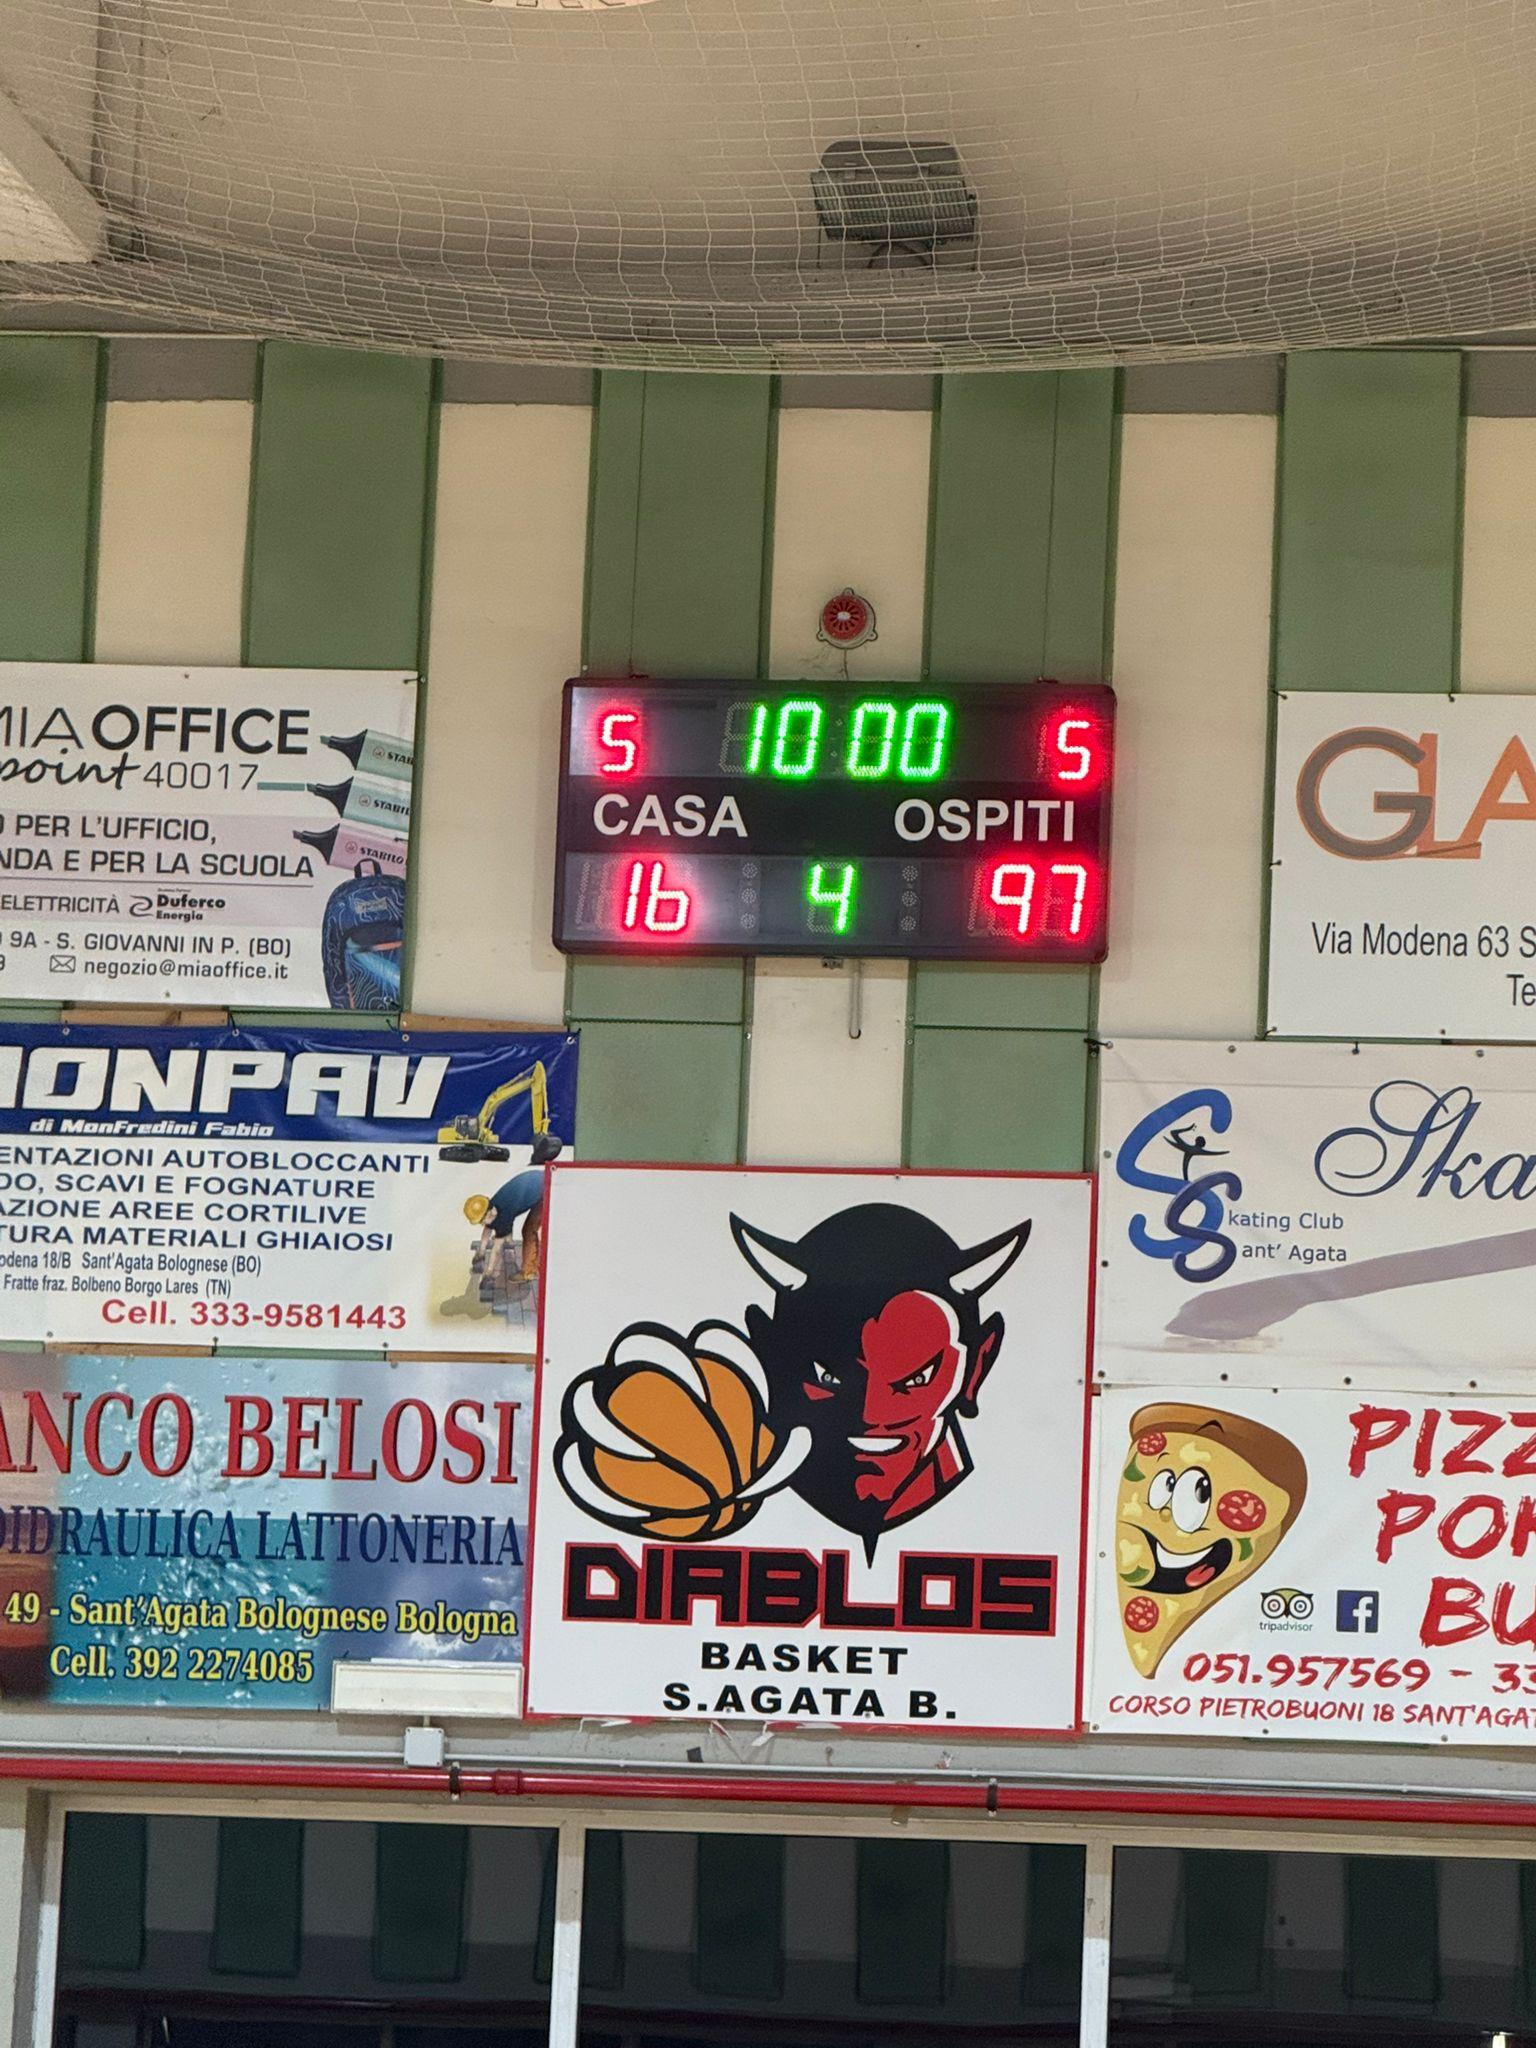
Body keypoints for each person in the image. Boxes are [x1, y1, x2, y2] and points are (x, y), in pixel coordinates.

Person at [465, 1131, 563, 1295]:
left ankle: (529, 1272)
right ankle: (530, 1263)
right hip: (536, 1183)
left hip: (546, 1190)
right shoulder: (492, 1205)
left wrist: (488, 1275)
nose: (482, 1224)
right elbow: (488, 1229)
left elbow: (497, 1249)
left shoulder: (503, 1215)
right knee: (504, 1228)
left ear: (490, 1213)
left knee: (529, 1230)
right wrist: (480, 1254)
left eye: (482, 1220)